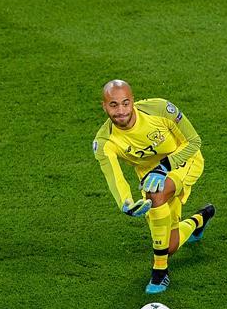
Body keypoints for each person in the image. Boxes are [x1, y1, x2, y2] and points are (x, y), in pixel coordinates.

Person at [92, 79, 215, 294]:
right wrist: (126, 203)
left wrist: (164, 166)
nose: (120, 111)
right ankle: (199, 220)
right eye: (113, 105)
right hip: (151, 178)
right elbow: (114, 177)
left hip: (186, 161)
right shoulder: (105, 142)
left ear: (133, 101)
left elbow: (194, 141)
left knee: (155, 193)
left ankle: (160, 273)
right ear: (104, 106)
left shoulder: (159, 109)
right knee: (169, 246)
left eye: (125, 103)